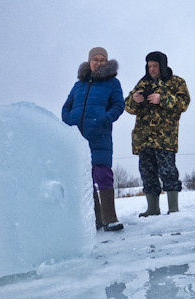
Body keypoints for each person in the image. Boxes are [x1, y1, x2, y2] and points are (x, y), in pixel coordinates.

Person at [62, 47, 125, 231]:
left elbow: (119, 105)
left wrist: (105, 119)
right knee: (85, 178)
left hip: (100, 135)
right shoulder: (78, 85)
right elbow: (66, 107)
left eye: (102, 59)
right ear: (89, 62)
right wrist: (69, 122)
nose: (98, 62)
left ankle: (110, 218)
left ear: (107, 62)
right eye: (95, 59)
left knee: (103, 174)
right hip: (78, 138)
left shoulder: (112, 83)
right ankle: (96, 220)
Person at [125, 51, 191, 217]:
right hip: (143, 138)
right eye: (149, 66)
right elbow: (127, 106)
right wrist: (134, 100)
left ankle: (173, 208)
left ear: (162, 65)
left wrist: (162, 99)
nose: (152, 69)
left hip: (165, 137)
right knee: (147, 172)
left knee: (168, 172)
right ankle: (152, 208)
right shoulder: (142, 83)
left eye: (155, 65)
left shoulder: (176, 82)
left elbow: (184, 103)